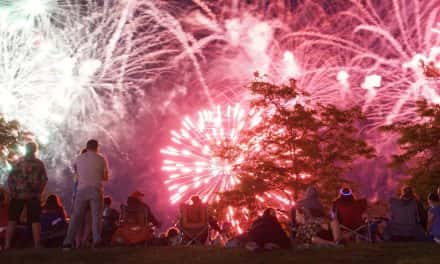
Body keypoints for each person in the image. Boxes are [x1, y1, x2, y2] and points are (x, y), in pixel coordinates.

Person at [63, 139, 109, 249]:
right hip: (96, 189)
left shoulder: (79, 158)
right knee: (96, 216)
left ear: (87, 147)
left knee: (76, 216)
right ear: (97, 147)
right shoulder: (101, 159)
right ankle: (97, 239)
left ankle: (68, 241)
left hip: (81, 189)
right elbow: (105, 177)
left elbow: (76, 172)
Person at [5, 142, 48, 249]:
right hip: (33, 195)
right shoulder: (39, 163)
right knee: (35, 220)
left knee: (12, 219)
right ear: (35, 150)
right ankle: (37, 244)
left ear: (25, 149)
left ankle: (7, 245)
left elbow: (10, 178)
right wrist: (39, 192)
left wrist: (13, 192)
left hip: (18, 194)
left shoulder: (18, 162)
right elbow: (44, 180)